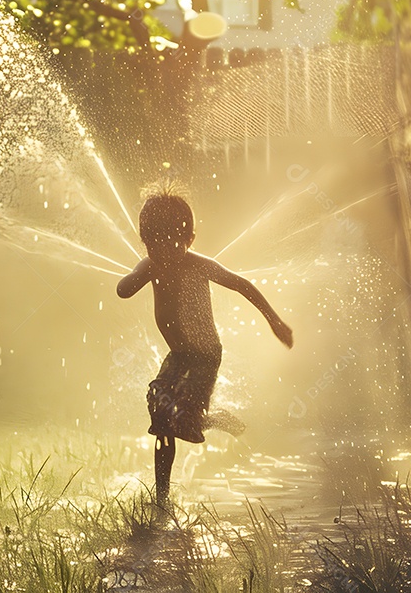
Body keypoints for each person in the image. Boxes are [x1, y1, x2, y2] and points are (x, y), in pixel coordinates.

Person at [116, 185, 293, 506]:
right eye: (153, 243)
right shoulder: (150, 264)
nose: (163, 251)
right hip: (178, 355)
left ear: (189, 240)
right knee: (161, 415)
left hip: (206, 355)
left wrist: (274, 320)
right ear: (144, 240)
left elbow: (242, 285)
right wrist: (133, 279)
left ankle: (211, 419)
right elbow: (123, 289)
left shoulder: (198, 264)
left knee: (184, 419)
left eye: (171, 243)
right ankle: (162, 496)